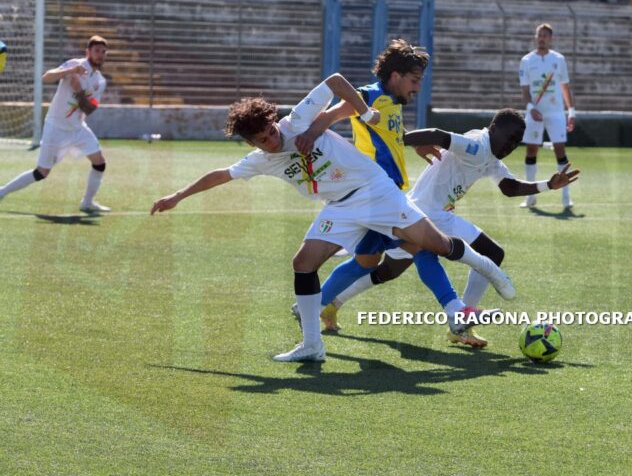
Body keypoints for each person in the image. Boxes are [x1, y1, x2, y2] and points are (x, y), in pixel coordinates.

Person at [150, 74, 515, 362]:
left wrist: (356, 116)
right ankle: (312, 345)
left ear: (275, 120)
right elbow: (221, 174)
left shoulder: (298, 121)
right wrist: (178, 196)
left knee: (432, 244)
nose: (273, 140)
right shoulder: (260, 160)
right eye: (263, 139)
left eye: (272, 130)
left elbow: (336, 81)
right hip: (340, 207)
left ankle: (489, 269)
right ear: (253, 144)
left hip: (375, 191)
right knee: (303, 262)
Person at [314, 109, 580, 347]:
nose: (510, 146)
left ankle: (332, 305)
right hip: (429, 214)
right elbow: (438, 134)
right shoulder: (477, 145)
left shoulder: (491, 156)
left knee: (389, 270)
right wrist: (398, 142)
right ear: (493, 128)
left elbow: (509, 187)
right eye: (508, 138)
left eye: (515, 143)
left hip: (420, 212)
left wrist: (548, 185)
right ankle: (462, 321)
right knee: (492, 254)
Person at [0, 36, 111, 213]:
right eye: (97, 51)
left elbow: (89, 109)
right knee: (41, 173)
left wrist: (79, 92)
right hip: (56, 127)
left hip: (78, 128)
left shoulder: (100, 81)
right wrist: (69, 71)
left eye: (104, 52)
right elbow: (47, 77)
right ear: (87, 52)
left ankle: (87, 202)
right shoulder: (75, 64)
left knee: (99, 163)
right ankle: (2, 192)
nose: (101, 55)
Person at [518, 24, 576, 209]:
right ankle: (531, 196)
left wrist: (571, 111)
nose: (541, 38)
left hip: (556, 113)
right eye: (539, 35)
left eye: (545, 35)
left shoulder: (559, 59)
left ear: (551, 39)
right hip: (534, 114)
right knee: (531, 150)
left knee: (560, 151)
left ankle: (566, 196)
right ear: (535, 38)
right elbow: (525, 90)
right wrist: (530, 107)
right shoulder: (526, 61)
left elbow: (565, 87)